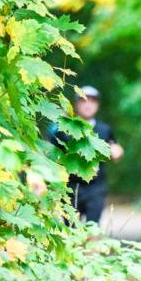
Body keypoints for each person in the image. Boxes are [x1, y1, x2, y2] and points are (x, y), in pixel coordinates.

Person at [51, 85, 124, 224]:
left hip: (96, 187)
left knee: (93, 231)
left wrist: (117, 152)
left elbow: (114, 149)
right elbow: (52, 157)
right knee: (71, 233)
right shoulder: (63, 129)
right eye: (84, 100)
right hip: (69, 188)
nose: (88, 105)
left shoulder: (105, 129)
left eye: (92, 101)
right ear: (76, 103)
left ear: (98, 105)